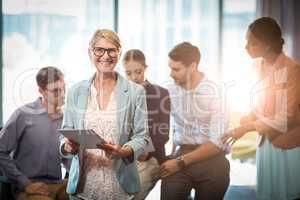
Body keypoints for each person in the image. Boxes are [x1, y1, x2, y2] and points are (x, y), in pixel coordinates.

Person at [60, 29, 150, 200]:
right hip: (82, 187)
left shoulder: (136, 92)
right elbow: (66, 131)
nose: (105, 56)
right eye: (99, 50)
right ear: (90, 52)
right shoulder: (75, 91)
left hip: (120, 187)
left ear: (119, 52)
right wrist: (67, 146)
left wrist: (124, 151)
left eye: (111, 50)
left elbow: (142, 137)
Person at [222, 17, 300, 200]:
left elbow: (284, 117)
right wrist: (249, 116)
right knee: (267, 194)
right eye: (246, 41)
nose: (246, 47)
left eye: (252, 43)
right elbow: (262, 102)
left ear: (267, 45)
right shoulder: (257, 66)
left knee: (287, 194)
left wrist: (247, 128)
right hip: (266, 142)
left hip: (287, 144)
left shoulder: (291, 70)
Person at [160, 42, 230, 200]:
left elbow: (217, 143)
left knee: (218, 172)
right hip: (182, 152)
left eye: (176, 69)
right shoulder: (171, 91)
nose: (171, 74)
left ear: (193, 66)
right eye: (170, 68)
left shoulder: (217, 93)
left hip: (212, 157)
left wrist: (179, 162)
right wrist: (173, 156)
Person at [0, 66, 68, 200]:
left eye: (63, 89)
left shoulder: (65, 119)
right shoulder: (23, 114)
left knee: (88, 194)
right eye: (55, 91)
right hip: (29, 187)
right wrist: (24, 183)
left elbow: (66, 158)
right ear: (41, 90)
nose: (62, 95)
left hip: (57, 184)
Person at [123, 49, 170, 200]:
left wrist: (145, 150)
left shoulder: (161, 93)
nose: (134, 77)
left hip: (150, 156)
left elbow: (163, 133)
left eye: (138, 72)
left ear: (145, 68)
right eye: (128, 73)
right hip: (125, 155)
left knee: (132, 194)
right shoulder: (120, 96)